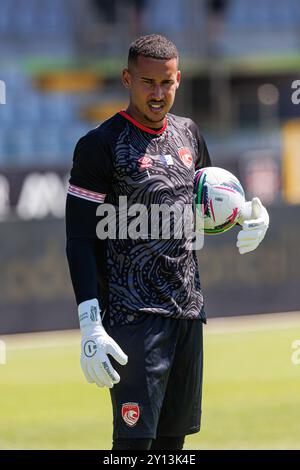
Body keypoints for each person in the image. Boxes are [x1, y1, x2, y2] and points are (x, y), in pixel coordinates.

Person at [65, 34, 269, 450]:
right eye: (148, 82)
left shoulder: (189, 134)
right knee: (134, 447)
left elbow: (206, 205)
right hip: (132, 316)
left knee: (173, 447)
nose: (158, 93)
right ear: (127, 78)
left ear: (179, 79)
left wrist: (248, 213)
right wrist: (90, 323)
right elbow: (80, 239)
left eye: (167, 83)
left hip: (188, 312)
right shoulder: (99, 146)